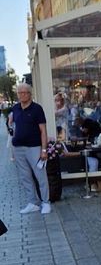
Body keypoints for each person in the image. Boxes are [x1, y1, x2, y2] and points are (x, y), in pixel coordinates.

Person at [11, 83, 51, 215]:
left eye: (24, 92)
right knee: (25, 177)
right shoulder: (15, 108)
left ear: (30, 94)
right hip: (18, 148)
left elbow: (43, 131)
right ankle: (33, 202)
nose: (22, 95)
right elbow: (13, 126)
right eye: (19, 93)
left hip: (34, 147)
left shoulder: (37, 109)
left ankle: (46, 202)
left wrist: (44, 150)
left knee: (40, 176)